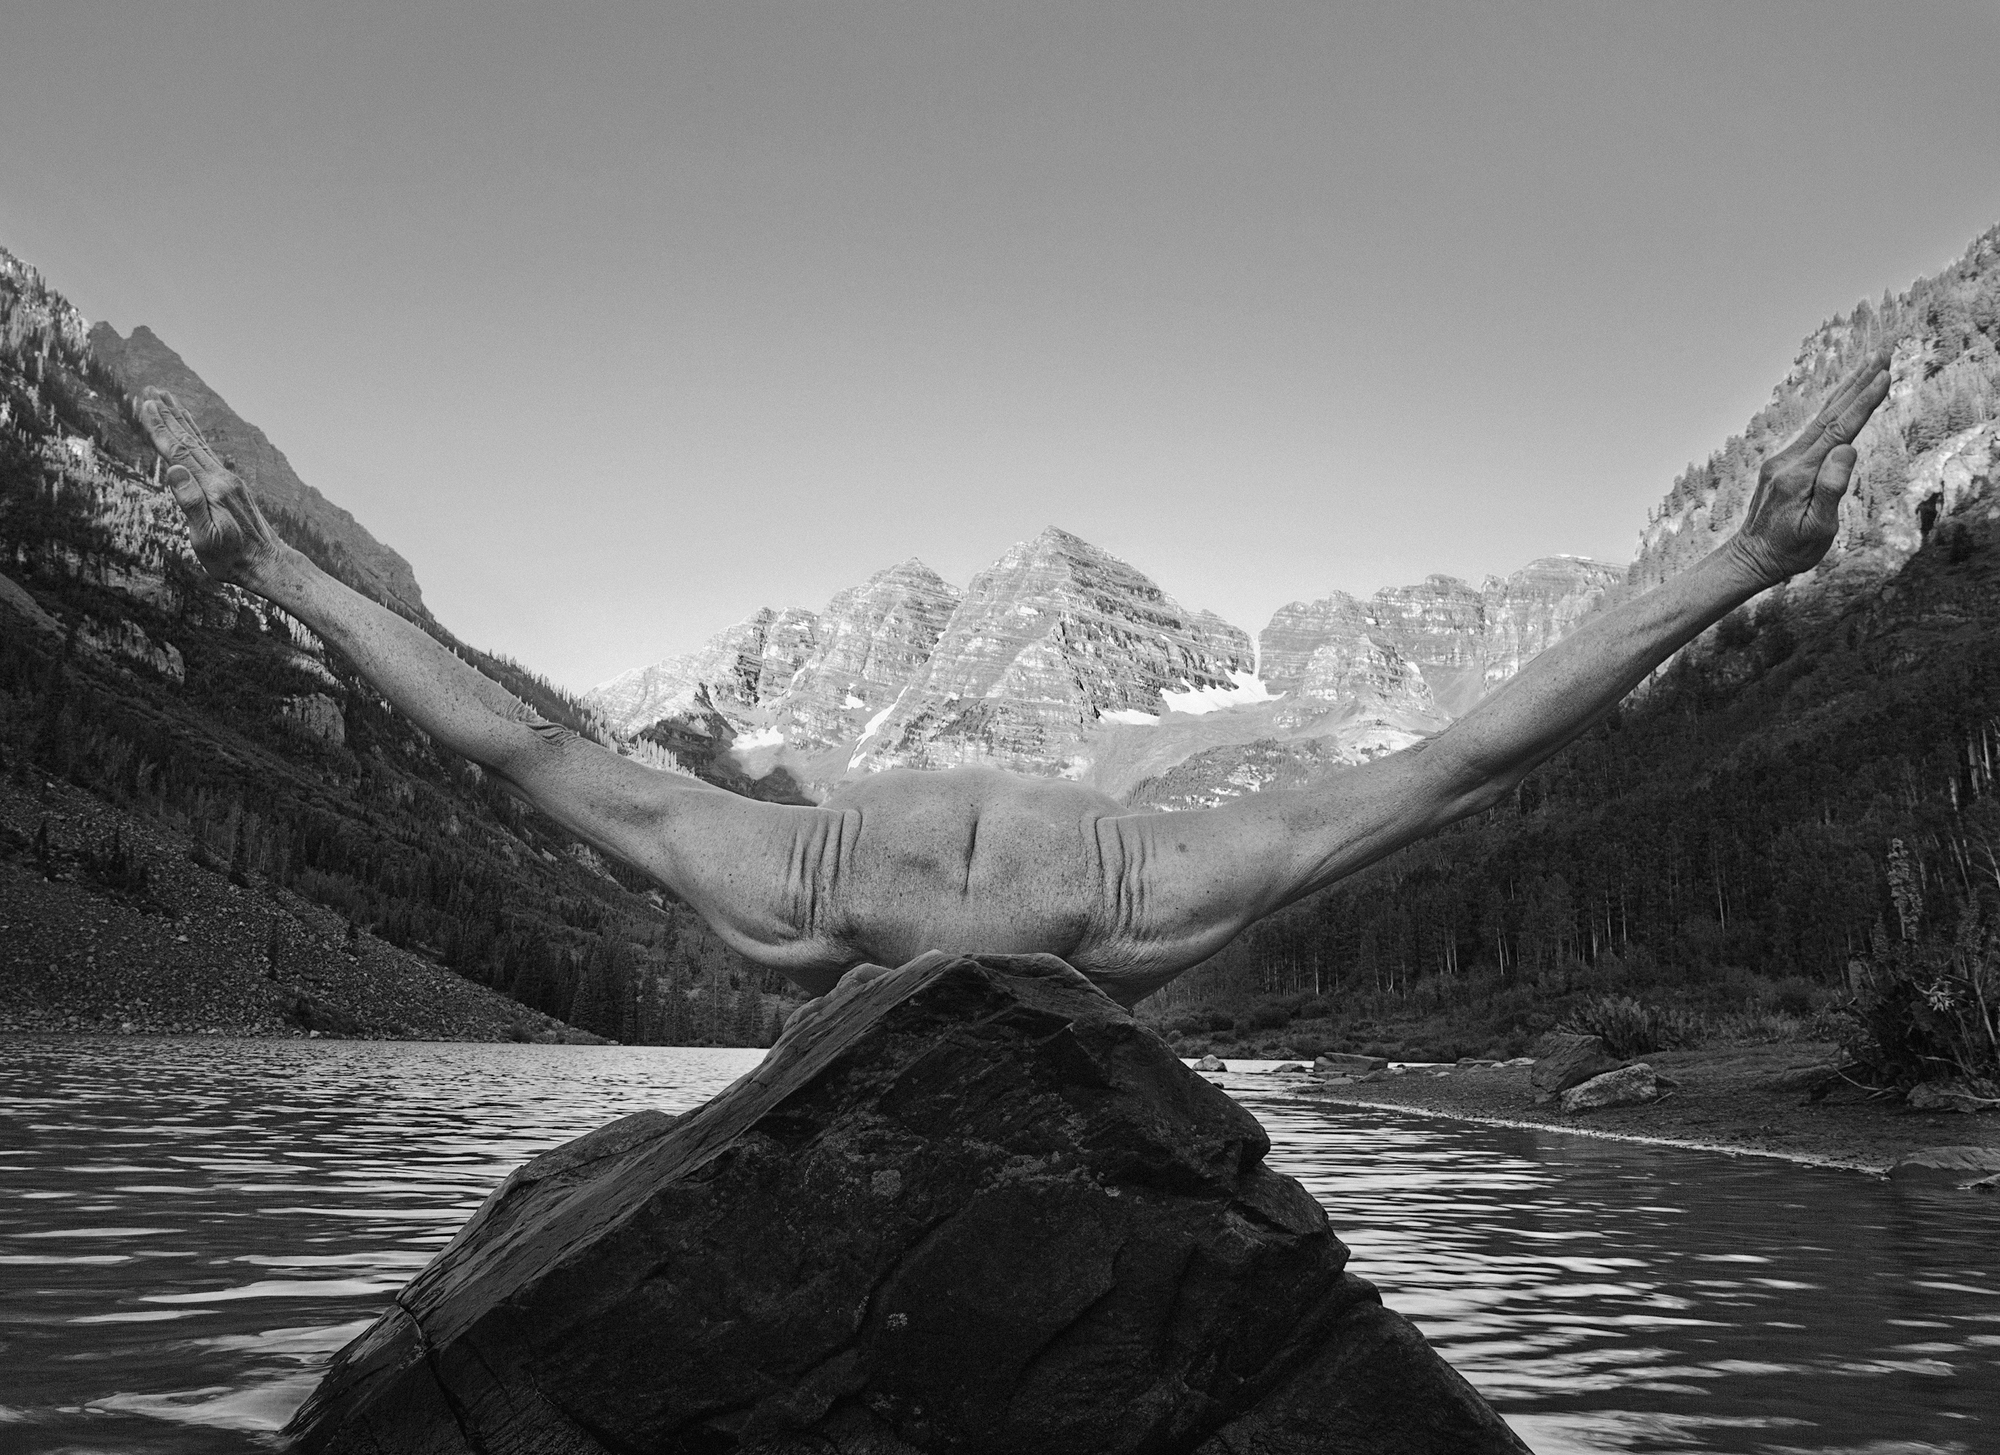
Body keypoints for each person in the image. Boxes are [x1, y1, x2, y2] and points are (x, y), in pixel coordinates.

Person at [135, 348, 1892, 1008]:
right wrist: (1740, 561)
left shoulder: (807, 881)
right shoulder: (1088, 893)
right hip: (1025, 938)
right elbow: (1456, 765)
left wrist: (280, 572)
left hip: (931, 935)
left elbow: (521, 748)